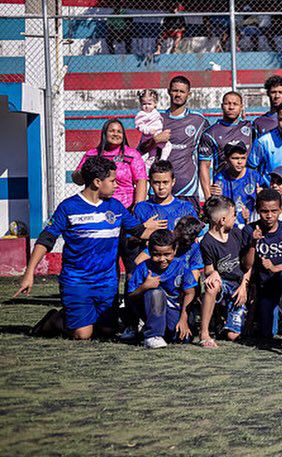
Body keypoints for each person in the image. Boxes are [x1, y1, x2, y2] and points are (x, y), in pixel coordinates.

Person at [17, 157, 158, 341]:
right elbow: (46, 239)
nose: (117, 185)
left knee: (107, 332)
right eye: (113, 181)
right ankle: (53, 319)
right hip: (77, 280)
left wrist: (175, 234)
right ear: (97, 182)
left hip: (107, 281)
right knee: (83, 335)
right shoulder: (69, 207)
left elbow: (140, 231)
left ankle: (83, 317)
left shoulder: (116, 207)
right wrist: (29, 273)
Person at [137, 76, 209, 207]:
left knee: (188, 227)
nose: (178, 94)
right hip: (159, 187)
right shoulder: (156, 118)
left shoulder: (198, 120)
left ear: (189, 94)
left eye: (182, 91)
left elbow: (212, 144)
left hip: (186, 188)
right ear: (168, 91)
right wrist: (155, 140)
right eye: (175, 90)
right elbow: (140, 150)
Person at [242, 189, 282, 338]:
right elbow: (246, 265)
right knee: (266, 334)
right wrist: (253, 243)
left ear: (281, 209)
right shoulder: (249, 230)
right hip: (264, 284)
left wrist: (275, 268)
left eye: (274, 211)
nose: (269, 216)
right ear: (257, 210)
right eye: (264, 211)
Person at [126, 229, 197, 349]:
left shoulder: (182, 266)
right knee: (155, 292)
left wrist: (183, 319)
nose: (162, 259)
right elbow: (131, 296)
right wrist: (144, 287)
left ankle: (155, 329)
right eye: (157, 255)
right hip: (151, 308)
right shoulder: (143, 268)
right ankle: (152, 335)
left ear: (174, 250)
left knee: (183, 338)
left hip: (174, 310)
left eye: (167, 254)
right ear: (149, 251)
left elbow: (190, 293)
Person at [198, 195, 252, 347]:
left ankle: (223, 323)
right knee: (212, 285)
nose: (236, 218)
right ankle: (204, 332)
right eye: (234, 215)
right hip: (223, 284)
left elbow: (248, 264)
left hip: (239, 285)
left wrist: (243, 286)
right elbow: (209, 269)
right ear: (222, 220)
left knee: (233, 336)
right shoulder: (207, 242)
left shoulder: (236, 234)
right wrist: (212, 273)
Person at [73, 118, 147, 210]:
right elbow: (78, 180)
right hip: (95, 207)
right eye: (112, 131)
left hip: (125, 207)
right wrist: (83, 172)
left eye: (119, 132)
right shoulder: (92, 154)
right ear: (105, 133)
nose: (116, 134)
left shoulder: (131, 155)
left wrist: (138, 207)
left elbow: (141, 181)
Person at [198, 91, 255, 198]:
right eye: (227, 103)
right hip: (222, 188)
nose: (231, 107)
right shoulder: (210, 133)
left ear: (241, 107)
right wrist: (207, 196)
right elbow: (204, 166)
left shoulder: (251, 129)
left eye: (235, 104)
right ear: (222, 106)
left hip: (247, 187)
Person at [211, 142, 267, 228]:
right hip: (229, 227)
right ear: (226, 159)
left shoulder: (254, 176)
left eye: (243, 158)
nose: (240, 162)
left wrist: (262, 195)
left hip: (252, 225)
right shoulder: (220, 178)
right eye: (235, 158)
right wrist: (214, 195)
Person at [134, 90, 170, 169]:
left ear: (155, 104)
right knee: (152, 152)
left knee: (166, 147)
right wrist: (148, 130)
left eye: (149, 104)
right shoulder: (141, 114)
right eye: (144, 104)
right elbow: (139, 126)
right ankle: (148, 165)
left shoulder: (155, 113)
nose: (146, 106)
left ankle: (162, 160)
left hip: (158, 134)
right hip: (148, 137)